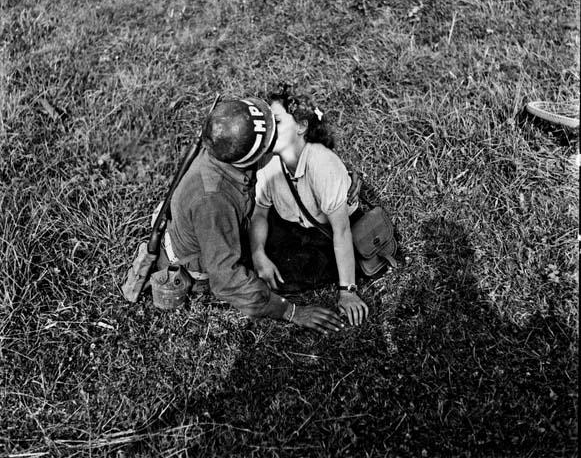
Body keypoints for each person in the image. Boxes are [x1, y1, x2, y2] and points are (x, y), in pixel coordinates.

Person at [157, 96, 345, 334]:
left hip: (233, 223)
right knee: (316, 264)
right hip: (208, 259)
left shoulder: (223, 143)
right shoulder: (212, 201)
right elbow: (227, 280)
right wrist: (291, 311)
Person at [249, 86, 369, 327]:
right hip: (292, 224)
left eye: (278, 121)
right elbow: (260, 213)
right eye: (268, 122)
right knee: (251, 258)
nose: (270, 130)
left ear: (302, 126)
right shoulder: (268, 160)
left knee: (284, 278)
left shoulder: (321, 162)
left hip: (328, 233)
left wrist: (347, 291)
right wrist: (258, 253)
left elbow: (342, 230)